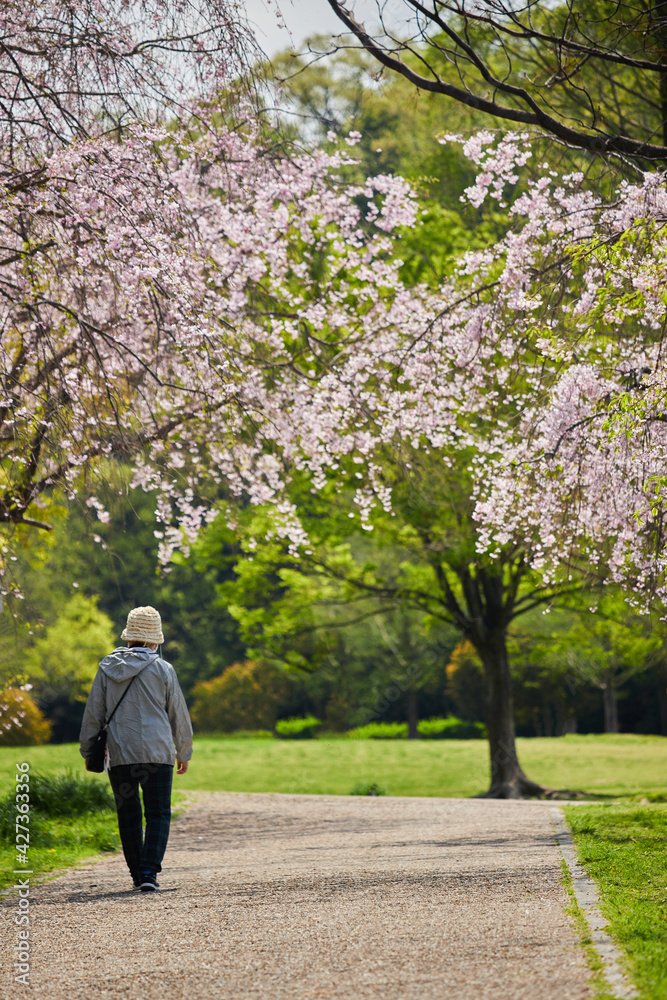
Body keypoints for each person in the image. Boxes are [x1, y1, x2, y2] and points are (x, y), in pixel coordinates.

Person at [79, 605, 193, 892]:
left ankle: (135, 874)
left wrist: (87, 750)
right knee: (158, 813)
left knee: (127, 812)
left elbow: (94, 713)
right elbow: (177, 712)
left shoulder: (107, 667)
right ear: (155, 639)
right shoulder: (163, 669)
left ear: (129, 636)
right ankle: (148, 873)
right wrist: (184, 750)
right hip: (157, 753)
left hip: (120, 752)